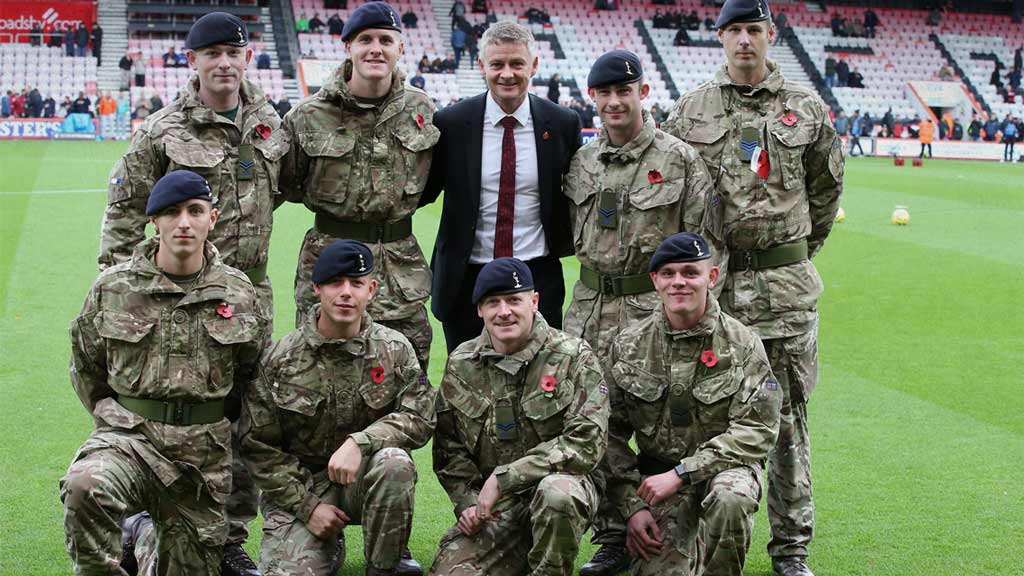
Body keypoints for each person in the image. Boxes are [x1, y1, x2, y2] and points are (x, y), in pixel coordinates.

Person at [97, 13, 288, 575]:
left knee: (246, 415)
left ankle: (228, 537)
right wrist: (123, 290)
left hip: (249, 293)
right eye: (212, 53)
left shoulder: (270, 123)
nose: (224, 62)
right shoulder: (162, 129)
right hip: (173, 300)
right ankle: (144, 521)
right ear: (193, 62)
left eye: (234, 51)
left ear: (247, 57)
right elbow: (125, 212)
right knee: (171, 414)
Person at [662, 1, 844, 574]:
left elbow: (825, 193)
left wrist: (786, 258)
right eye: (734, 30)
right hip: (712, 295)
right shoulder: (689, 109)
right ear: (720, 37)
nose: (745, 41)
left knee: (787, 421)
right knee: (707, 419)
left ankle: (791, 550)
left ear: (771, 34)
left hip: (784, 294)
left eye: (754, 30)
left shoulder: (806, 109)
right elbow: (671, 189)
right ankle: (698, 541)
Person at [60, 171, 267, 575]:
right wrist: (116, 418)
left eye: (195, 211)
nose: (184, 222)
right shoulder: (113, 288)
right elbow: (86, 367)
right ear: (154, 221)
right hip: (131, 441)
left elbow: (251, 375)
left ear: (214, 217)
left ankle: (140, 532)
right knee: (85, 484)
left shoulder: (239, 293)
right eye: (171, 213)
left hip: (202, 457)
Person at [566, 51, 716, 576]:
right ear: (593, 99)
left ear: (643, 93)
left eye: (623, 92)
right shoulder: (582, 161)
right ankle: (611, 533)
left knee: (662, 420)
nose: (613, 102)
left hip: (652, 311)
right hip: (587, 307)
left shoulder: (679, 160)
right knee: (592, 420)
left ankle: (670, 523)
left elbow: (702, 242)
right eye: (603, 94)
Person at [241, 240, 434, 576]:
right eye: (335, 283)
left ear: (371, 290)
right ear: (316, 288)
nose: (346, 293)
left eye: (356, 284)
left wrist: (362, 441)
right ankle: (324, 543)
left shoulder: (395, 349)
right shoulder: (282, 359)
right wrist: (308, 507)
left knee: (395, 463)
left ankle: (385, 565)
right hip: (302, 487)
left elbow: (420, 416)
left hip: (366, 478)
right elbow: (258, 447)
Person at [602, 232, 781, 576]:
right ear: (654, 280)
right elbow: (609, 435)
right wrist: (632, 507)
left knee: (732, 496)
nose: (678, 282)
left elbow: (757, 431)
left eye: (690, 272)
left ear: (711, 278)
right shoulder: (627, 346)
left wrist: (684, 473)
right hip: (657, 478)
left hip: (724, 470)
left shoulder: (743, 344)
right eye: (668, 274)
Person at [279, 1, 440, 377]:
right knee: (320, 374)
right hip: (330, 262)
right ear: (347, 46)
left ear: (400, 48)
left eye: (386, 40)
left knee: (405, 376)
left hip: (400, 269)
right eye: (365, 39)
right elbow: (281, 186)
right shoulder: (308, 115)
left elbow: (433, 180)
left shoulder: (422, 110)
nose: (376, 48)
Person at [430, 257, 610, 576]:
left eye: (514, 300)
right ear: (479, 310)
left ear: (534, 301)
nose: (504, 312)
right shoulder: (462, 363)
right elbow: (449, 448)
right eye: (493, 303)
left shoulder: (572, 356)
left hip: (563, 489)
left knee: (557, 493)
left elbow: (586, 444)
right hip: (495, 507)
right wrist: (468, 502)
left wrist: (506, 478)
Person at [420, 21, 583, 353]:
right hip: (467, 276)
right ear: (482, 67)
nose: (507, 74)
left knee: (541, 381)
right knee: (467, 381)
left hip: (537, 272)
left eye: (516, 64)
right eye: (497, 64)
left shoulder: (563, 124)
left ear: (533, 66)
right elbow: (423, 191)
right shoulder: (451, 123)